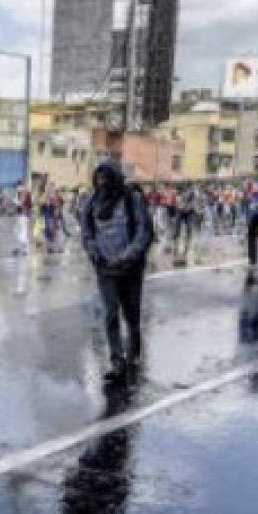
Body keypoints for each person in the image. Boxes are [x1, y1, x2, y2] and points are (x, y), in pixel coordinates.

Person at [81, 159, 155, 381]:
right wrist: (95, 253)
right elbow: (86, 234)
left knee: (131, 316)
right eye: (98, 178)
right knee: (111, 313)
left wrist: (126, 257)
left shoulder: (132, 199)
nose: (102, 183)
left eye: (106, 178)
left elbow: (144, 232)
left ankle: (133, 355)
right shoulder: (92, 203)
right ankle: (117, 361)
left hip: (130, 269)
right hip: (105, 269)